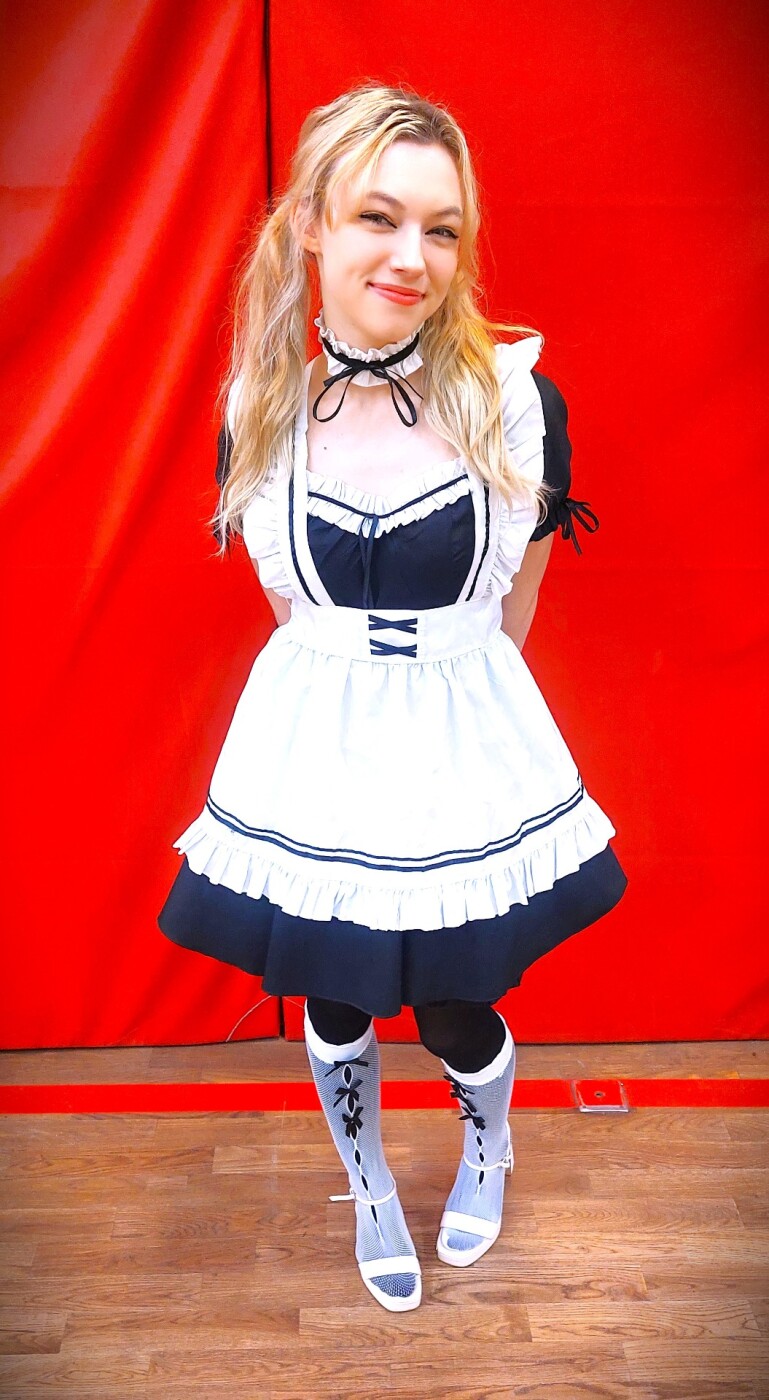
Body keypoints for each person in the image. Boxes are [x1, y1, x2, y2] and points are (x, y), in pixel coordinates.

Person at [158, 82, 628, 1313]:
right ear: (311, 224)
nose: (412, 256)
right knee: (336, 990)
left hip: (458, 738)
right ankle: (367, 1185)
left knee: (457, 997)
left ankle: (488, 1145)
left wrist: (465, 743)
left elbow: (514, 606)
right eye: (378, 216)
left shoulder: (518, 402)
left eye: (442, 228)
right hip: (319, 744)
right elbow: (293, 611)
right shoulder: (257, 409)